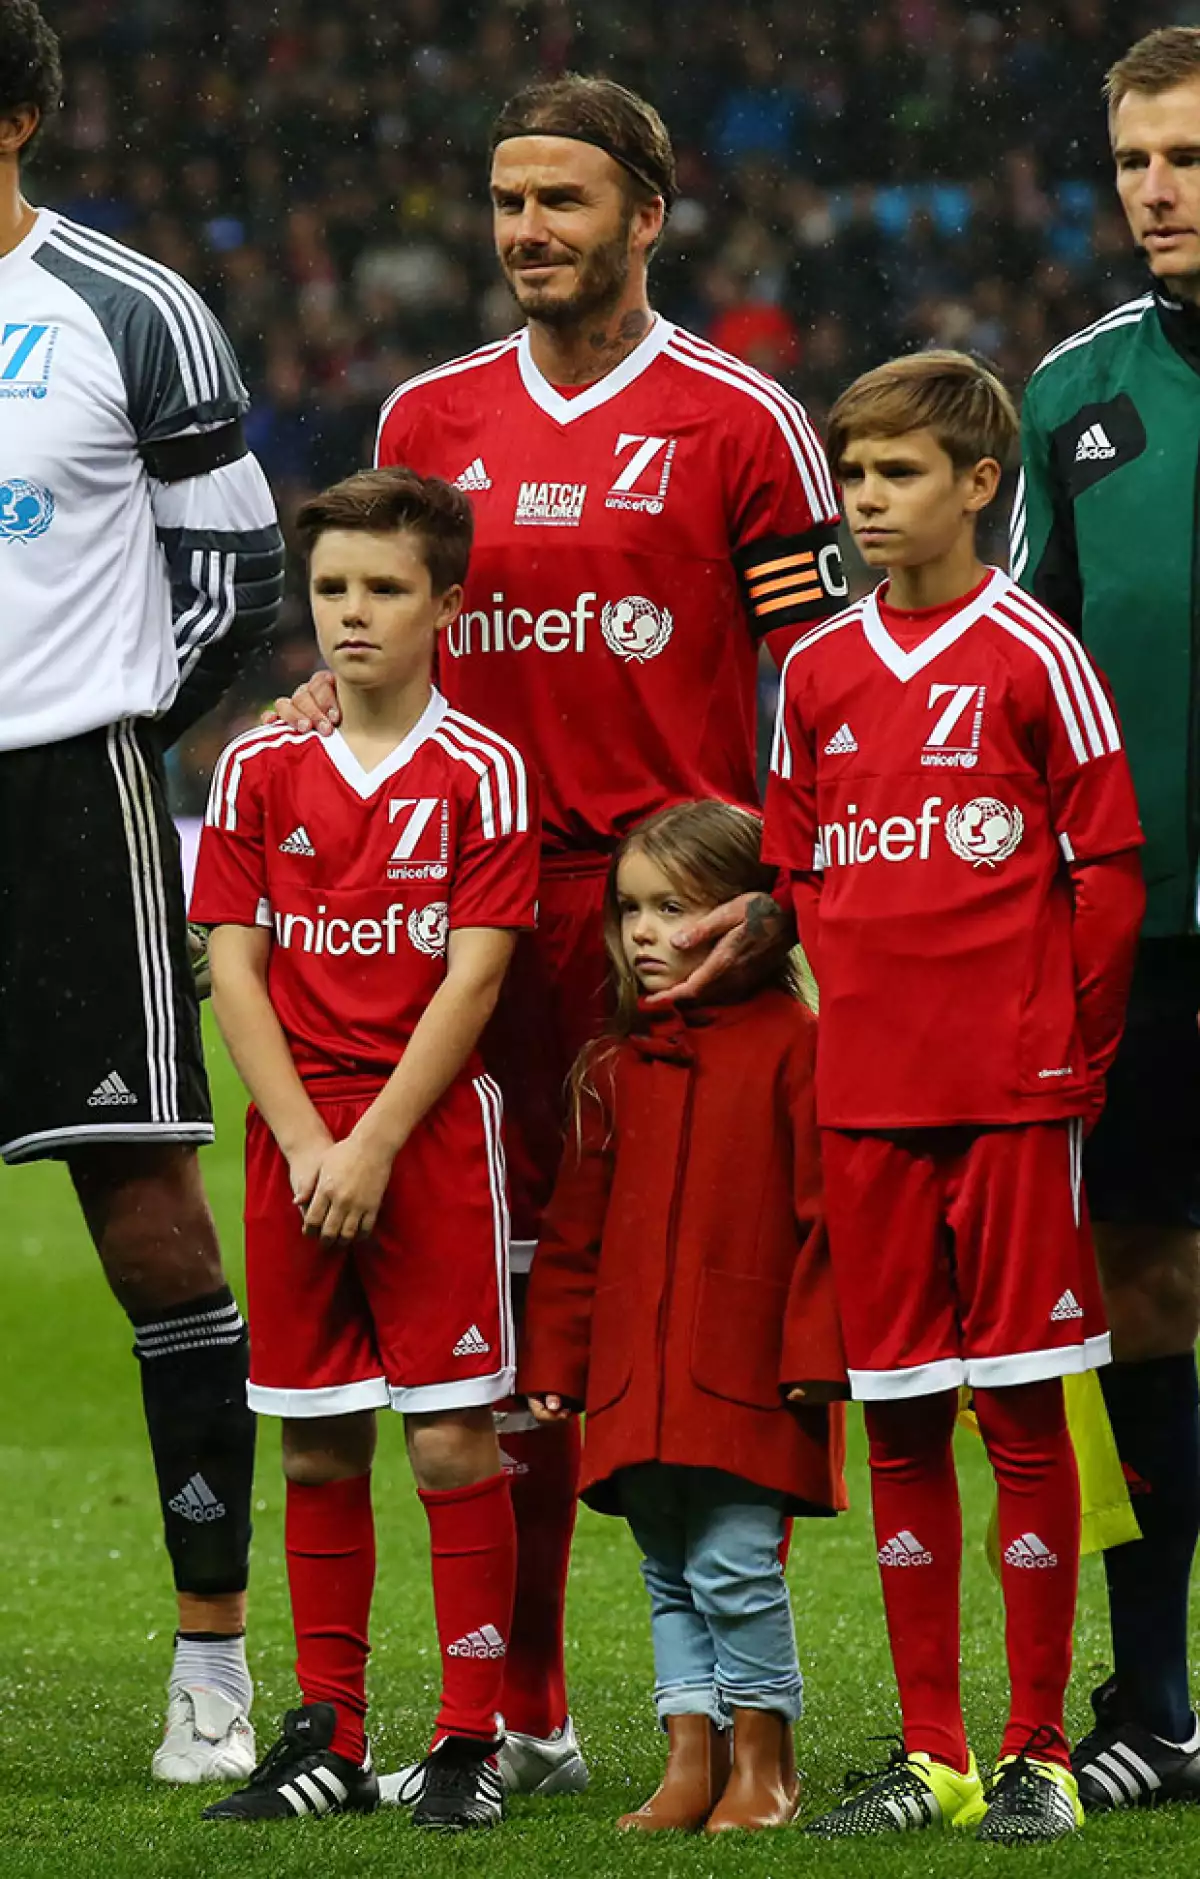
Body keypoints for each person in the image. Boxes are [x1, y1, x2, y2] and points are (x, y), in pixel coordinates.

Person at [276, 73, 845, 1799]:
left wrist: (781, 897)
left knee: (687, 1325)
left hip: (672, 933)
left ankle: (740, 1713)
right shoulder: (433, 412)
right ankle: (523, 1710)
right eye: (511, 198)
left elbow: (816, 691)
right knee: (504, 1326)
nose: (530, 228)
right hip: (475, 926)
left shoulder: (743, 418)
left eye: (566, 201)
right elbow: (381, 625)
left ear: (648, 216)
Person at [764, 351, 1146, 1843]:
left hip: (1008, 1094)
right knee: (906, 1417)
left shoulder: (1030, 651)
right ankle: (934, 1756)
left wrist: (1074, 1050)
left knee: (1024, 1415)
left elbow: (1103, 869)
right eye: (855, 473)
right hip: (866, 1101)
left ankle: (1039, 1747)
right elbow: (799, 869)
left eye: (900, 472)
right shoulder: (813, 668)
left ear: (981, 486)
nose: (868, 498)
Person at [0, 0, 284, 1780]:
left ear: (14, 116)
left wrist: (105, 731)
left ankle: (213, 1662)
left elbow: (241, 572)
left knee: (152, 1222)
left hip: (64, 795)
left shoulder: (130, 306)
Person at [190, 468, 540, 1830]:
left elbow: (475, 974)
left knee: (453, 1437)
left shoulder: (483, 768)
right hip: (300, 1139)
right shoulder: (258, 764)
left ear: (446, 605)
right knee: (319, 1442)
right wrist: (301, 1136)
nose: (353, 612)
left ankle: (471, 1735)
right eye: (332, 586)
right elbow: (234, 958)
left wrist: (375, 1138)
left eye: (385, 588)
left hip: (428, 1136)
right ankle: (331, 1733)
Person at [519, 800, 847, 1835]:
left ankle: (766, 1759)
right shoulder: (612, 1065)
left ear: (750, 912)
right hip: (632, 1375)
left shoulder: (798, 1044)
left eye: (676, 907)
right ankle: (689, 1760)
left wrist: (815, 1353)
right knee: (667, 1567)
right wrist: (559, 1360)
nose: (645, 933)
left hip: (751, 1369)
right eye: (630, 910)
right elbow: (574, 1239)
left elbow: (824, 1218)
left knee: (735, 1564)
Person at [1010, 24, 1200, 1810]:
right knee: (1139, 1278)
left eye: (1191, 157)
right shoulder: (1076, 392)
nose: (1158, 188)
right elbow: (1013, 656)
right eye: (1140, 157)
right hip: (1137, 934)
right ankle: (1154, 1694)